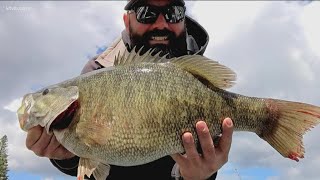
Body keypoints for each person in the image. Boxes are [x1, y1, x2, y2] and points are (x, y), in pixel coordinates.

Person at [25, 0, 234, 179]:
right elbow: (93, 167)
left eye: (173, 13)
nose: (161, 23)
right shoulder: (96, 72)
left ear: (184, 19)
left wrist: (201, 176)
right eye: (146, 13)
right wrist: (68, 157)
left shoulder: (197, 78)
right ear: (127, 21)